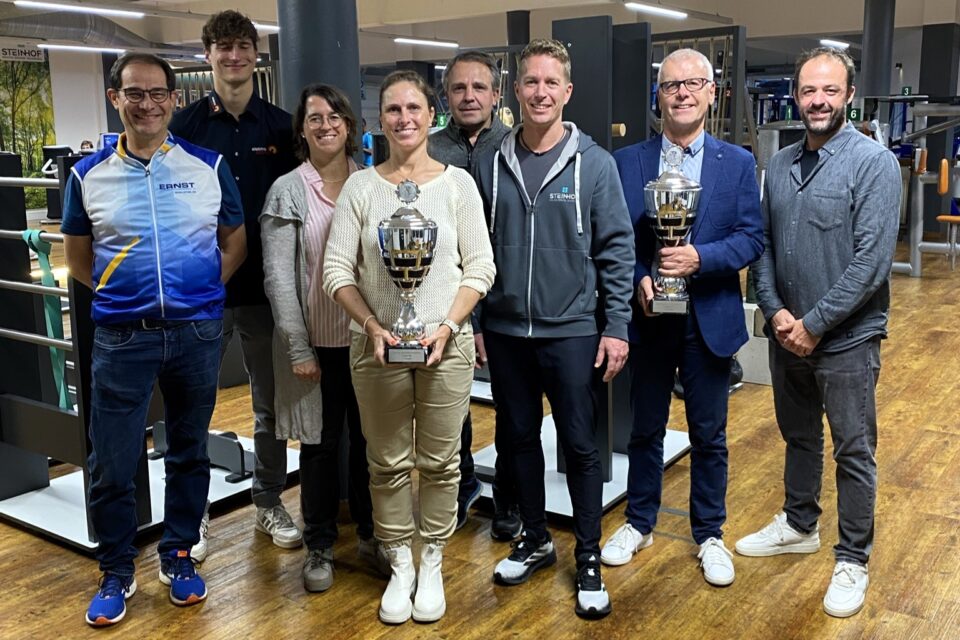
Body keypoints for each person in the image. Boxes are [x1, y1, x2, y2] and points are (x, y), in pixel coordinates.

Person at [61, 53, 246, 627]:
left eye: (157, 93)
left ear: (173, 99)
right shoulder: (87, 175)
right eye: (134, 93)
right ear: (115, 97)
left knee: (189, 453)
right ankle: (116, 570)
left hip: (196, 333)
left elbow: (234, 239)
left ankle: (179, 555)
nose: (147, 104)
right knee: (112, 461)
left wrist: (202, 292)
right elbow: (77, 259)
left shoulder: (207, 165)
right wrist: (126, 298)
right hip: (122, 337)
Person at [322, 70, 495, 624]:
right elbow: (335, 270)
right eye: (393, 110)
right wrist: (372, 324)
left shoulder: (458, 185)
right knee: (387, 462)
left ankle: (433, 558)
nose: (404, 119)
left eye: (414, 108)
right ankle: (399, 561)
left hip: (448, 346)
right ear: (379, 121)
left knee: (443, 462)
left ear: (431, 114)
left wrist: (447, 326)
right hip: (376, 349)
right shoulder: (361, 188)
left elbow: (482, 268)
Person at [472, 39, 634, 619]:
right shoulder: (491, 161)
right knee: (517, 441)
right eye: (530, 82)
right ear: (516, 91)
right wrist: (478, 320)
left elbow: (617, 250)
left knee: (580, 445)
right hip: (508, 330)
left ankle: (587, 556)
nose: (540, 92)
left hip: (572, 330)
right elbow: (477, 250)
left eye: (551, 83)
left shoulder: (595, 163)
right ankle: (534, 538)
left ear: (567, 92)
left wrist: (615, 326)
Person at [739, 46, 900, 618]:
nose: (818, 101)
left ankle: (852, 557)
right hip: (788, 334)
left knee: (854, 450)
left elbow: (871, 264)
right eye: (809, 91)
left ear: (849, 96)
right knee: (800, 436)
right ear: (796, 95)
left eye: (830, 91)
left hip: (847, 340)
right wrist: (776, 312)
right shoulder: (779, 165)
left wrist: (813, 324)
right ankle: (799, 524)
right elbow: (765, 249)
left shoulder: (874, 164)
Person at [600, 48, 763, 587]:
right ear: (659, 96)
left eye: (694, 83)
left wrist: (699, 258)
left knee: (709, 435)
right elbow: (615, 240)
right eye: (672, 85)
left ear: (712, 92)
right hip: (649, 319)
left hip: (709, 317)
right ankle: (640, 522)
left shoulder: (737, 163)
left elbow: (750, 239)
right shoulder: (628, 162)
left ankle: (709, 533)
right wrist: (639, 279)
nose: (683, 93)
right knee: (645, 430)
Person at [170, 10, 299, 557]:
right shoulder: (186, 129)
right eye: (223, 46)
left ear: (256, 54)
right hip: (204, 290)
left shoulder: (281, 126)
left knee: (269, 406)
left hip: (268, 292)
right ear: (208, 56)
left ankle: (268, 502)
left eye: (243, 45)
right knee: (193, 407)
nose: (234, 55)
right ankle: (192, 517)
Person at [260, 84, 387, 593]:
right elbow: (277, 277)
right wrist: (297, 347)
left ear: (350, 125)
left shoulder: (372, 183)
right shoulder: (288, 190)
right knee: (317, 447)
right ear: (302, 130)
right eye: (314, 118)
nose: (326, 125)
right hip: (314, 347)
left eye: (335, 116)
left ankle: (371, 536)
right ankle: (318, 543)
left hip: (366, 343)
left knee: (370, 444)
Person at [428, 50, 519, 539]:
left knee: (512, 406)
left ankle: (508, 493)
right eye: (459, 88)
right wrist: (469, 321)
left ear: (496, 94)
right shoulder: (427, 151)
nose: (469, 96)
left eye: (478, 88)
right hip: (447, 307)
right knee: (451, 405)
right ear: (446, 96)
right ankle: (462, 483)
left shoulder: (516, 147)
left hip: (507, 303)